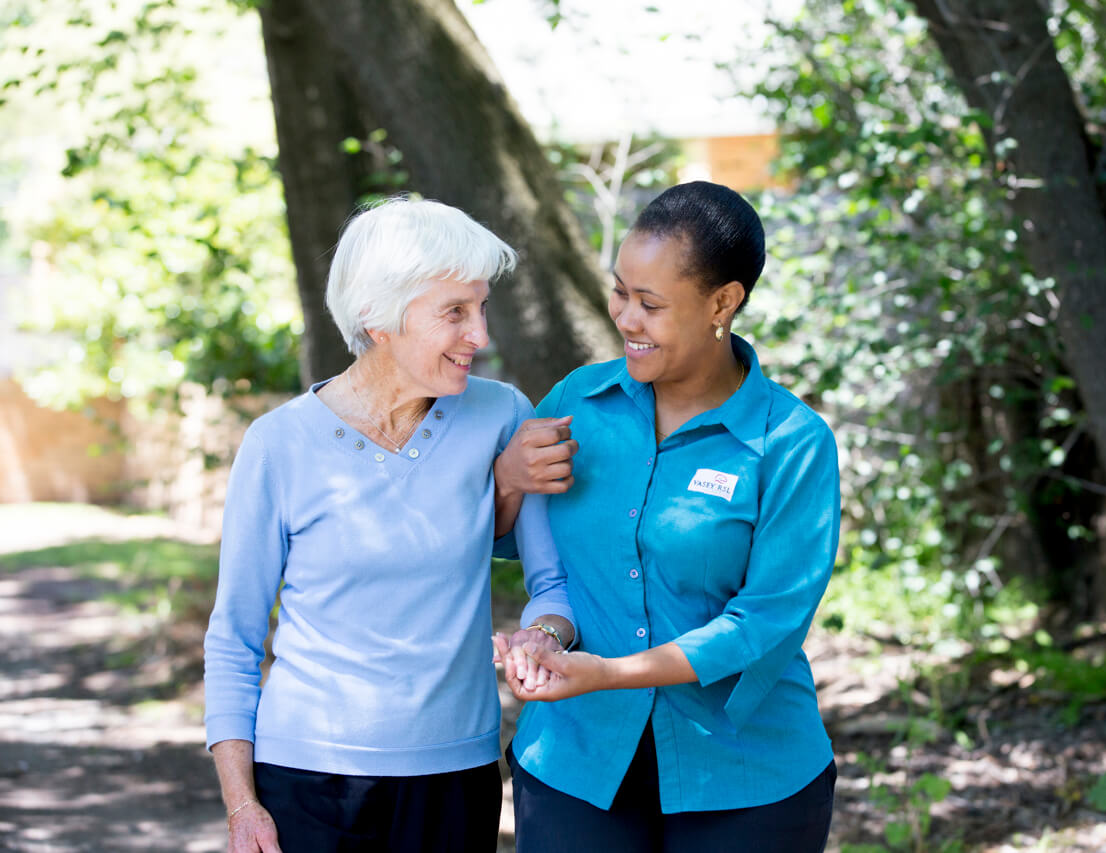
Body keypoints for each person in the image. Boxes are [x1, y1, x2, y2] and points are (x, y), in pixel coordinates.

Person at [203, 198, 575, 853]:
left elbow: (552, 581)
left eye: (481, 307)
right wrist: (243, 807)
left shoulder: (502, 416)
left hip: (456, 774)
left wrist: (542, 636)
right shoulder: (279, 444)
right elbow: (233, 638)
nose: (479, 335)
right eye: (454, 311)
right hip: (307, 777)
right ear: (377, 316)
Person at [492, 181, 840, 852]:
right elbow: (522, 548)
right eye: (620, 291)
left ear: (722, 302)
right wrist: (507, 481)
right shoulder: (575, 404)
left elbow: (764, 620)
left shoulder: (791, 442)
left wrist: (612, 671)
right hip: (576, 761)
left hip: (747, 777)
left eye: (650, 304)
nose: (625, 318)